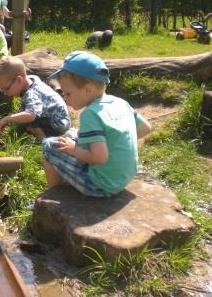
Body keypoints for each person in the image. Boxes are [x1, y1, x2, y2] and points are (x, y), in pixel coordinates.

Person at [42, 51, 152, 197]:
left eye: (68, 93)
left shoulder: (90, 114)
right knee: (75, 133)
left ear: (88, 90)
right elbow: (145, 128)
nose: (65, 99)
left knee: (49, 145)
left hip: (100, 185)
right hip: (124, 178)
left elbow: (100, 157)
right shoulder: (120, 102)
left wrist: (74, 149)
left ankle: (55, 195)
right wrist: (116, 144)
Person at [0, 56, 71, 140]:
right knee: (22, 119)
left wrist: (7, 119)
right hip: (56, 118)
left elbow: (31, 115)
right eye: (1, 89)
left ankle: (45, 142)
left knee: (28, 121)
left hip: (58, 123)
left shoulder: (32, 94)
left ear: (18, 80)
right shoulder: (30, 80)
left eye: (6, 88)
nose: (5, 92)